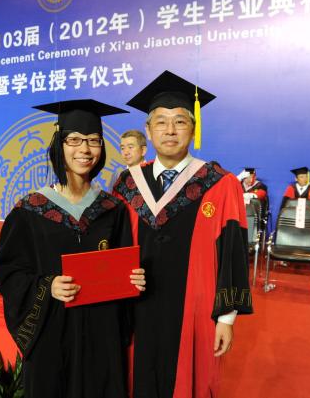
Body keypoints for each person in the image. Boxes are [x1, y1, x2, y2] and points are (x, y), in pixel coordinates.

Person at [0, 99, 146, 398]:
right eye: (74, 140)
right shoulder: (30, 211)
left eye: (93, 140)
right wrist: (47, 286)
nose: (85, 149)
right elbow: (7, 272)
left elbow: (124, 268)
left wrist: (134, 279)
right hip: (52, 335)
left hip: (102, 336)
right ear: (59, 145)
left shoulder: (112, 210)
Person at [113, 71, 253, 397]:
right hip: (137, 307)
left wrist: (226, 318)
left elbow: (232, 252)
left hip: (195, 309)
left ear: (193, 128)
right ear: (149, 130)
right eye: (161, 122)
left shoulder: (219, 183)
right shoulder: (127, 183)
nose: (170, 130)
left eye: (180, 121)